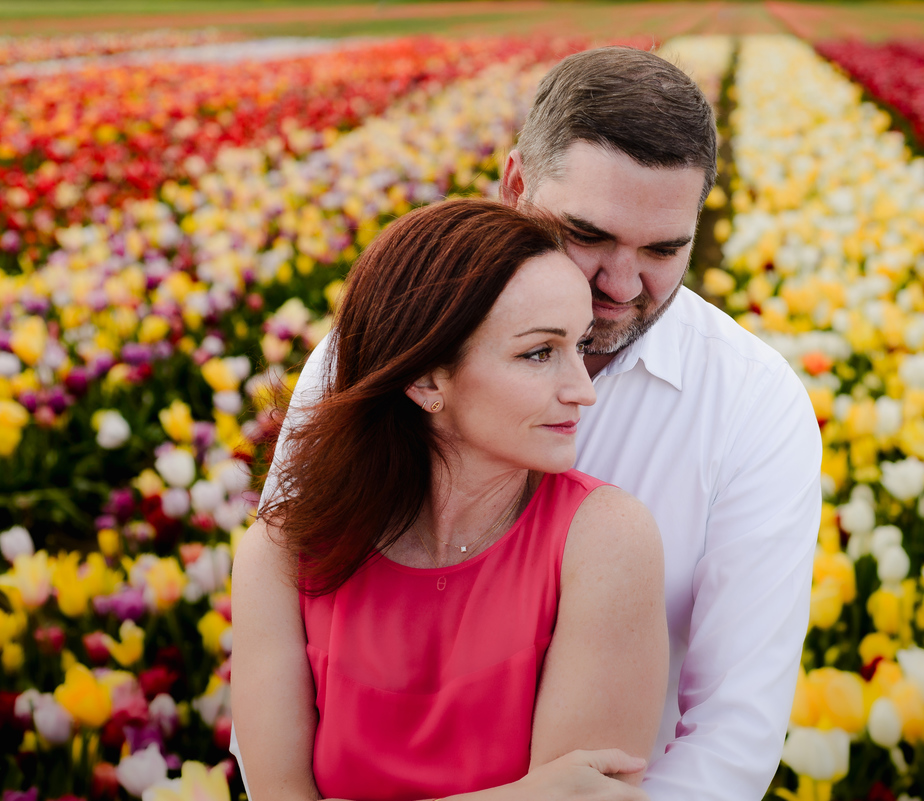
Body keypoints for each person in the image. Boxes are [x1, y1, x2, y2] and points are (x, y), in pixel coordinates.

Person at [241, 45, 823, 800]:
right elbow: (284, 665)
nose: (620, 283)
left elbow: (732, 733)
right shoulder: (365, 358)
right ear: (516, 183)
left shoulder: (753, 404)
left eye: (662, 250)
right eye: (589, 234)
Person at [232, 199, 668, 800]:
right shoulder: (284, 554)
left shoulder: (606, 542)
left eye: (580, 345)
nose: (582, 390)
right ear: (426, 380)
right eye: (539, 353)